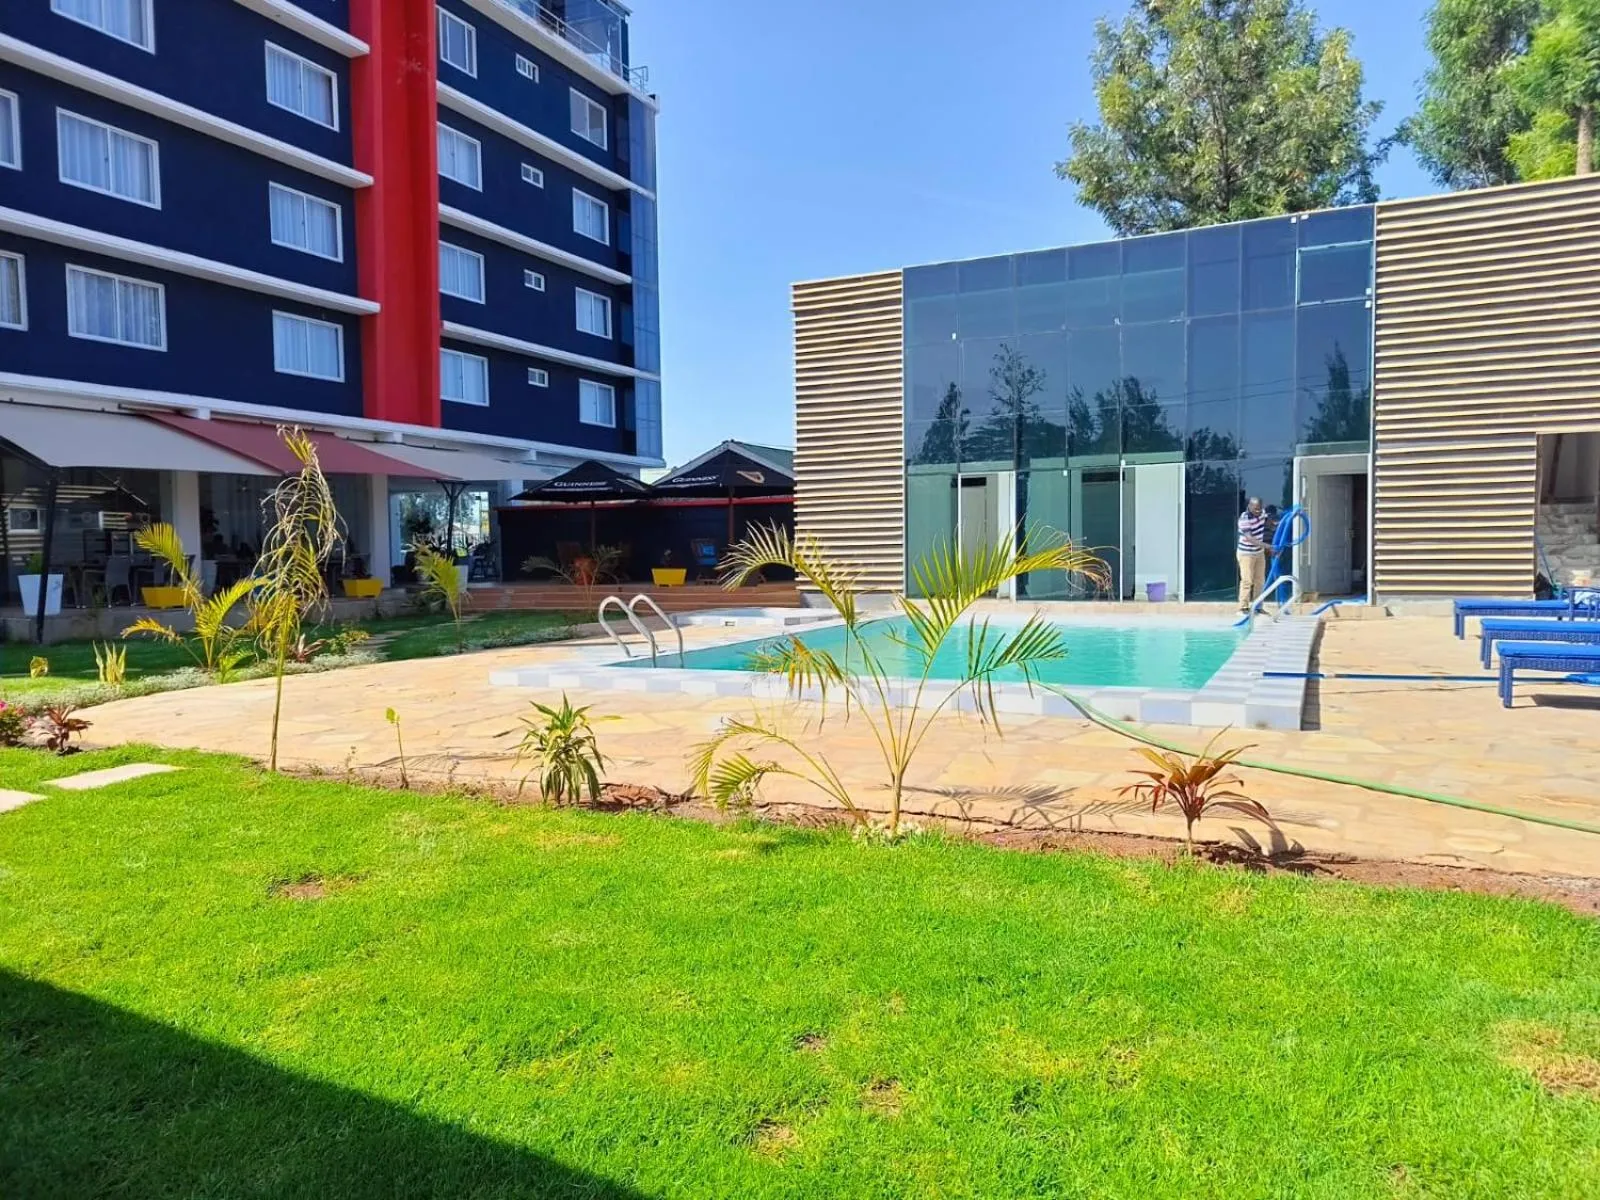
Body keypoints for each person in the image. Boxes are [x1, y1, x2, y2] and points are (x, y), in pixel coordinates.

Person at [1237, 496, 1267, 613]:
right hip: (1246, 554)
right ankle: (1243, 608)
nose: (1258, 511)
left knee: (1260, 580)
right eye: (1255, 509)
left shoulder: (1262, 514)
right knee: (1247, 580)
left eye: (1259, 508)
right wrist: (1267, 546)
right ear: (1249, 507)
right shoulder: (1244, 519)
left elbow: (1271, 521)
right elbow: (1250, 538)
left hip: (1259, 552)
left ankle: (1258, 607)